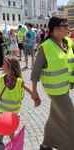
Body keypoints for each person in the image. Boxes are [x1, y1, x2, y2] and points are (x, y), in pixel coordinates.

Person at [31, 16, 74, 150]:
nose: (67, 29)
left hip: (65, 86)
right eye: (64, 26)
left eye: (68, 26)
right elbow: (35, 71)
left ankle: (45, 145)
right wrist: (34, 92)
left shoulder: (67, 42)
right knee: (71, 119)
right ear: (55, 29)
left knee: (54, 117)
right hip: (55, 91)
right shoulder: (46, 47)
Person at [0, 56, 41, 145]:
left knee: (11, 130)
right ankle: (1, 138)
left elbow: (31, 91)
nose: (2, 66)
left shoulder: (19, 81)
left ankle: (14, 144)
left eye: (3, 64)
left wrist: (36, 99)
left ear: (10, 67)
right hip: (2, 111)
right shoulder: (1, 78)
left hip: (13, 113)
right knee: (3, 126)